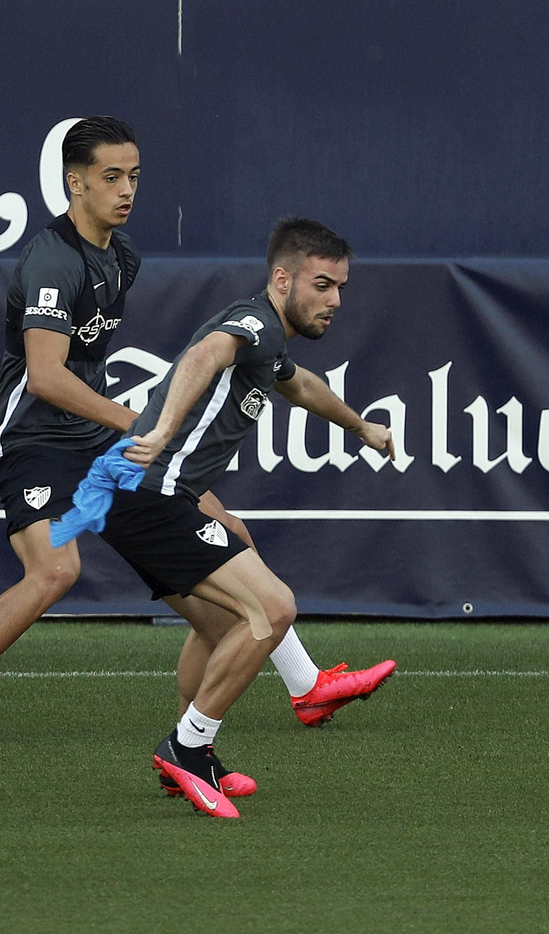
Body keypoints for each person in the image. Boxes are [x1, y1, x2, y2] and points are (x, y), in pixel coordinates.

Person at [0, 117, 385, 749]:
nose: (126, 189)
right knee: (55, 571)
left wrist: (356, 425)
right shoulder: (54, 260)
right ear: (75, 184)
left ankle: (296, 689)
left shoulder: (121, 257)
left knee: (223, 542)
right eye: (110, 177)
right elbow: (46, 376)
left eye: (133, 176)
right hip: (31, 440)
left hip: (88, 438)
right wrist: (137, 422)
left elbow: (288, 381)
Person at [77, 217, 393, 818]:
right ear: (282, 279)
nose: (334, 301)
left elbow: (300, 387)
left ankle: (191, 761)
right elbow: (205, 353)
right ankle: (188, 748)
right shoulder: (252, 322)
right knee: (272, 609)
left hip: (135, 496)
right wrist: (164, 426)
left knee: (225, 625)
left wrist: (362, 427)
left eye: (341, 288)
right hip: (151, 495)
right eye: (322, 285)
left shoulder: (271, 342)